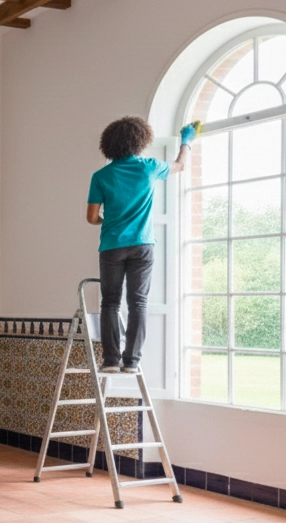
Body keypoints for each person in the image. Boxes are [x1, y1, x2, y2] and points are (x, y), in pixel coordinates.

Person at [86, 117, 196, 373]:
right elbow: (180, 165)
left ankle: (111, 361)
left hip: (112, 246)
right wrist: (187, 141)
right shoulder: (149, 167)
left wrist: (110, 219)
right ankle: (132, 362)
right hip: (143, 246)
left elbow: (92, 218)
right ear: (140, 141)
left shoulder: (101, 176)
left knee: (110, 303)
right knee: (138, 303)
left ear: (109, 144)